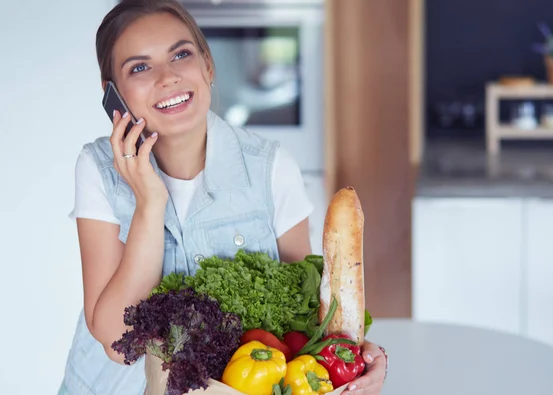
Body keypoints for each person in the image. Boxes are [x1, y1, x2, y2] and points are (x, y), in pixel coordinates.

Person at [58, 0, 387, 394]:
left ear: (208, 66)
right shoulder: (98, 168)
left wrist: (360, 360)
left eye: (181, 54)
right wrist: (149, 204)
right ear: (111, 93)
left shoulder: (271, 168)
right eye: (140, 67)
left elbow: (303, 316)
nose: (168, 77)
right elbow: (116, 339)